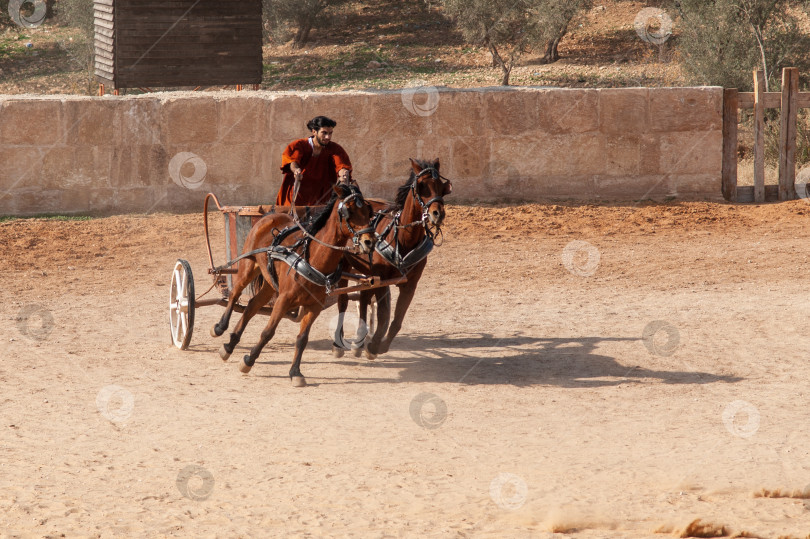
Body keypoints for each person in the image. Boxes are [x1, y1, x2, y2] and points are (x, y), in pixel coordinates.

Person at [275, 116, 353, 207]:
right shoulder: (299, 145)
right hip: (296, 196)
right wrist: (296, 170)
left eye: (330, 133)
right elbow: (292, 161)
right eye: (324, 133)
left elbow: (341, 165)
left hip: (321, 198)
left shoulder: (335, 149)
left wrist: (344, 173)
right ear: (314, 131)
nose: (328, 137)